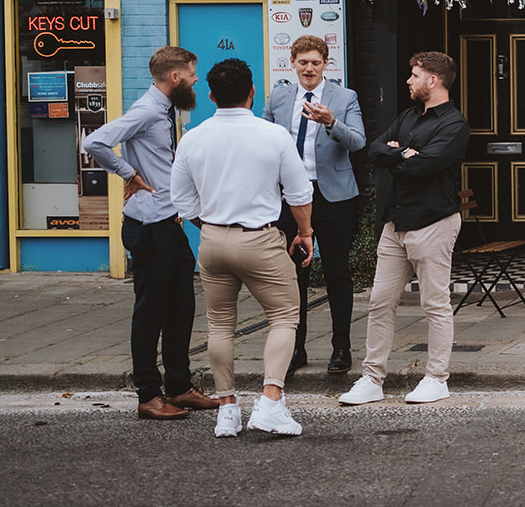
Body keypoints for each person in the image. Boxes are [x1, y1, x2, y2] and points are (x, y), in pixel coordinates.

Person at [170, 58, 314, 437]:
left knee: (219, 323)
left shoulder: (193, 138)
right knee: (284, 316)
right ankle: (269, 402)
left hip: (213, 240)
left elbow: (182, 202)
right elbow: (299, 193)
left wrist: (212, 226)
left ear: (211, 95)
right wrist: (305, 232)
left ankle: (228, 409)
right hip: (261, 239)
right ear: (252, 92)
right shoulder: (273, 135)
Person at [82, 45, 219, 421]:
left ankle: (179, 387)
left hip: (169, 223)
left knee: (182, 309)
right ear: (175, 77)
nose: (195, 78)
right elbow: (93, 141)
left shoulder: (166, 109)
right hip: (148, 227)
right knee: (150, 312)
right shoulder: (146, 110)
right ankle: (148, 394)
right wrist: (129, 174)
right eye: (191, 73)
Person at [339, 52, 469, 407]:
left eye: (415, 75)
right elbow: (375, 151)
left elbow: (424, 168)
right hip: (395, 223)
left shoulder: (454, 125)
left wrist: (404, 157)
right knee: (380, 301)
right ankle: (372, 378)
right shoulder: (409, 116)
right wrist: (402, 154)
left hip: (433, 222)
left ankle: (436, 378)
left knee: (435, 303)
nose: (408, 81)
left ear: (434, 80)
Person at [263, 35, 365, 375]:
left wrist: (331, 122)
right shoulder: (278, 97)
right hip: (290, 197)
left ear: (326, 65)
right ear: (292, 62)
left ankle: (341, 349)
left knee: (337, 274)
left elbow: (359, 142)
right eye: (303, 62)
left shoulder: (344, 97)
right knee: (292, 277)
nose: (309, 68)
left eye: (316, 62)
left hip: (333, 195)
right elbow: (264, 144)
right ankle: (295, 350)